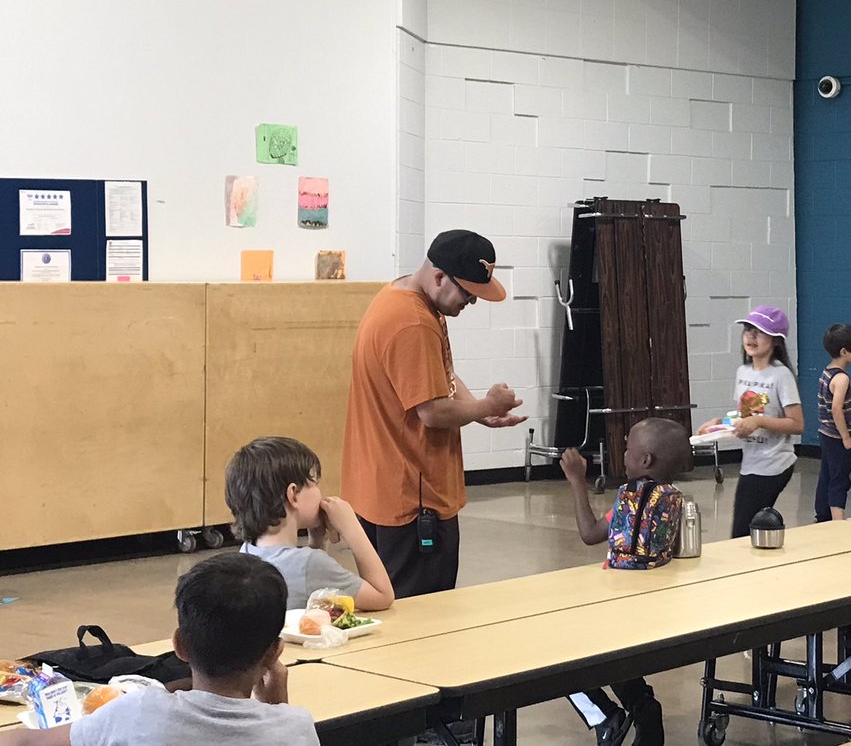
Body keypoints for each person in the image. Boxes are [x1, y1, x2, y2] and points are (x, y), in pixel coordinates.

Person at [341, 230, 526, 599]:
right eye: (468, 294)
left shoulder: (401, 296)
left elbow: (437, 372)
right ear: (440, 277)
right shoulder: (414, 323)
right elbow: (432, 411)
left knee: (389, 601)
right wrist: (487, 405)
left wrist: (476, 412)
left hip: (382, 488)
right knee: (423, 612)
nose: (471, 303)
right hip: (412, 499)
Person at [0, 553, 319, 746]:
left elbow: (27, 741)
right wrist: (279, 706)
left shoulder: (139, 713)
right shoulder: (296, 728)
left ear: (179, 645)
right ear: (275, 652)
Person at [560, 418, 691, 746]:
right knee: (614, 661)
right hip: (650, 607)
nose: (623, 453)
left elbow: (590, 533)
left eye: (629, 449)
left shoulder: (629, 499)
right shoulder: (673, 500)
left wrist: (576, 479)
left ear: (645, 460)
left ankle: (604, 716)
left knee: (556, 658)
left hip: (617, 603)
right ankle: (644, 709)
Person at [226, 436, 393, 611]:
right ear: (293, 495)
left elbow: (308, 585)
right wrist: (352, 528)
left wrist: (317, 541)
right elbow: (382, 596)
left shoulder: (247, 552)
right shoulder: (310, 563)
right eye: (314, 483)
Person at [696, 306, 803, 538]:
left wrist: (760, 421)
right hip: (751, 462)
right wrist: (719, 422)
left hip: (775, 463)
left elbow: (797, 424)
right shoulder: (742, 372)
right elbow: (746, 416)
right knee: (746, 531)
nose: (751, 337)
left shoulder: (780, 375)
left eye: (760, 332)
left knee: (741, 533)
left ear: (776, 340)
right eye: (748, 330)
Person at [815, 324, 851, 522]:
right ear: (844, 351)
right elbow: (836, 409)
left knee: (827, 474)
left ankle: (823, 513)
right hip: (838, 437)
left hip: (826, 434)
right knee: (839, 478)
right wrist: (846, 438)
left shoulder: (827, 372)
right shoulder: (841, 378)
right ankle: (837, 519)